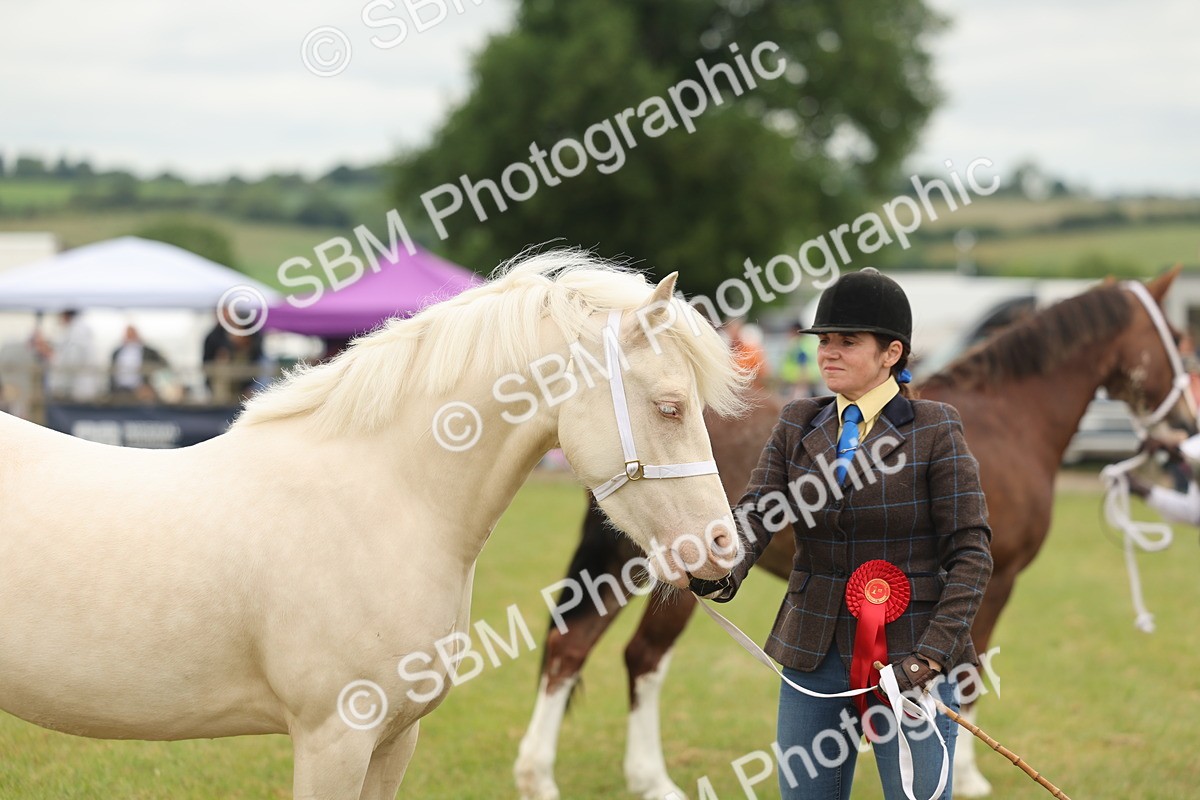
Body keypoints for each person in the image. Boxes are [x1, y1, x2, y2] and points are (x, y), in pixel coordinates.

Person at [691, 268, 993, 800]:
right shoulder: (798, 421)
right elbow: (758, 511)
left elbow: (971, 552)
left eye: (846, 341)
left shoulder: (936, 427)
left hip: (913, 656)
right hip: (813, 649)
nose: (827, 352)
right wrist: (718, 564)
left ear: (891, 353)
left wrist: (933, 654)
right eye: (824, 340)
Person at [203, 306, 266, 403]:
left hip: (248, 381)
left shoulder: (249, 328)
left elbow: (258, 355)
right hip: (226, 382)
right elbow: (207, 362)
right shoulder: (214, 335)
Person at [46, 309, 102, 401]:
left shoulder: (77, 332)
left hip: (80, 385)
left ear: (66, 316)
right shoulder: (78, 330)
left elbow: (73, 360)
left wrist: (54, 358)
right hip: (81, 383)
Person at [110, 324, 168, 402]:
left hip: (141, 391)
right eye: (128, 334)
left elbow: (163, 366)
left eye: (132, 333)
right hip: (120, 390)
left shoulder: (149, 352)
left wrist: (151, 386)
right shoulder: (116, 352)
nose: (130, 336)